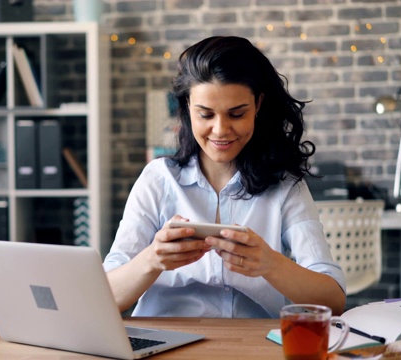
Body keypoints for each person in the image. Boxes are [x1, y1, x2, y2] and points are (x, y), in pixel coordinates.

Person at [103, 36, 346, 318]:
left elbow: (334, 300)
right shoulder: (158, 179)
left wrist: (270, 264)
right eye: (206, 114)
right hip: (166, 342)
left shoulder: (285, 186)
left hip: (254, 344)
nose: (220, 130)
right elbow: (106, 298)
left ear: (257, 105)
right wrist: (152, 259)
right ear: (186, 109)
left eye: (237, 113)